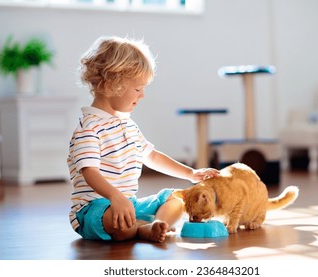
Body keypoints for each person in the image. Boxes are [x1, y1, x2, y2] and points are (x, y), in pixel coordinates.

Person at [67, 36, 219, 243]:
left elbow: (152, 157)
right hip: (95, 209)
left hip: (128, 204)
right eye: (138, 89)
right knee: (118, 221)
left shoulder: (127, 125)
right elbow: (89, 171)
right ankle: (140, 229)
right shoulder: (89, 127)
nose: (143, 95)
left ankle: (156, 225)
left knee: (177, 198)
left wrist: (191, 173)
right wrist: (115, 197)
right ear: (113, 84)